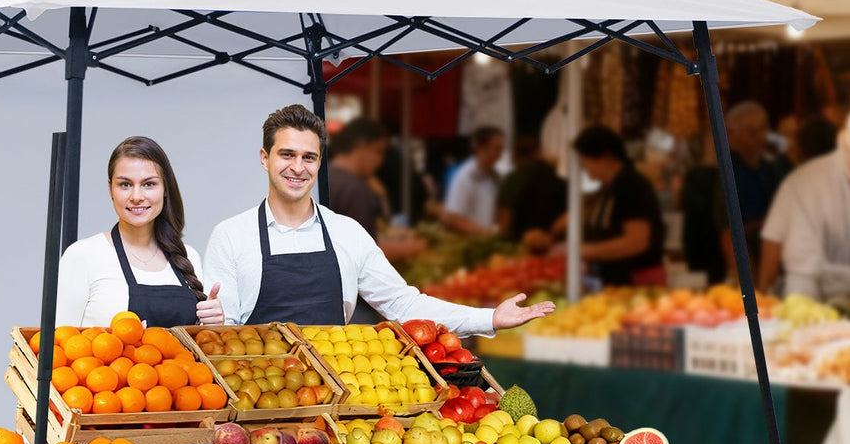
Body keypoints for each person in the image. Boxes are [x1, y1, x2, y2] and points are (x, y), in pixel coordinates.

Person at [202, 104, 554, 332]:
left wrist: (489, 317)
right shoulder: (231, 235)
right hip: (256, 405)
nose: (298, 167)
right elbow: (224, 330)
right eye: (287, 155)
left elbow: (403, 304)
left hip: (334, 398)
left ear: (320, 163)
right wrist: (214, 321)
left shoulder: (346, 233)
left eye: (309, 157)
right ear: (264, 158)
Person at [55, 136, 225, 328]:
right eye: (125, 184)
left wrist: (213, 325)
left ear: (165, 189)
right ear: (110, 188)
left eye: (149, 184)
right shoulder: (83, 255)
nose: (136, 197)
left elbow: (197, 346)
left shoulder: (188, 256)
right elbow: (59, 346)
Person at [759, 116, 850, 300]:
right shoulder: (797, 181)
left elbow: (772, 249)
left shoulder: (796, 181)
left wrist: (762, 295)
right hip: (806, 296)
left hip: (804, 296)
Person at [570, 124, 665, 287]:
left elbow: (637, 241)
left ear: (605, 156)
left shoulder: (631, 185)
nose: (585, 169)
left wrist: (584, 251)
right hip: (616, 281)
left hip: (637, 282)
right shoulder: (609, 188)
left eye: (585, 161)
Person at [715, 101, 789, 277]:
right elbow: (729, 234)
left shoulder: (773, 169)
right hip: (750, 268)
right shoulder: (729, 174)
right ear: (732, 136)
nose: (759, 137)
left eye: (762, 129)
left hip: (778, 265)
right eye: (750, 131)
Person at [495, 133, 566, 244]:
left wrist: (505, 240)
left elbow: (504, 218)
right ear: (540, 151)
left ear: (515, 155)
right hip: (553, 243)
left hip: (520, 243)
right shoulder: (555, 175)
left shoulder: (512, 179)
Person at [326, 117, 389, 236]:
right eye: (378, 151)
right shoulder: (355, 188)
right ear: (362, 145)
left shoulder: (321, 175)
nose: (381, 160)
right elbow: (365, 248)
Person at [442, 125, 505, 236]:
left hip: (489, 241)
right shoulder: (464, 177)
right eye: (496, 149)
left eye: (501, 150)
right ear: (481, 148)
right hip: (468, 242)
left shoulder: (497, 177)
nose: (500, 155)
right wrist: (483, 232)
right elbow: (452, 218)